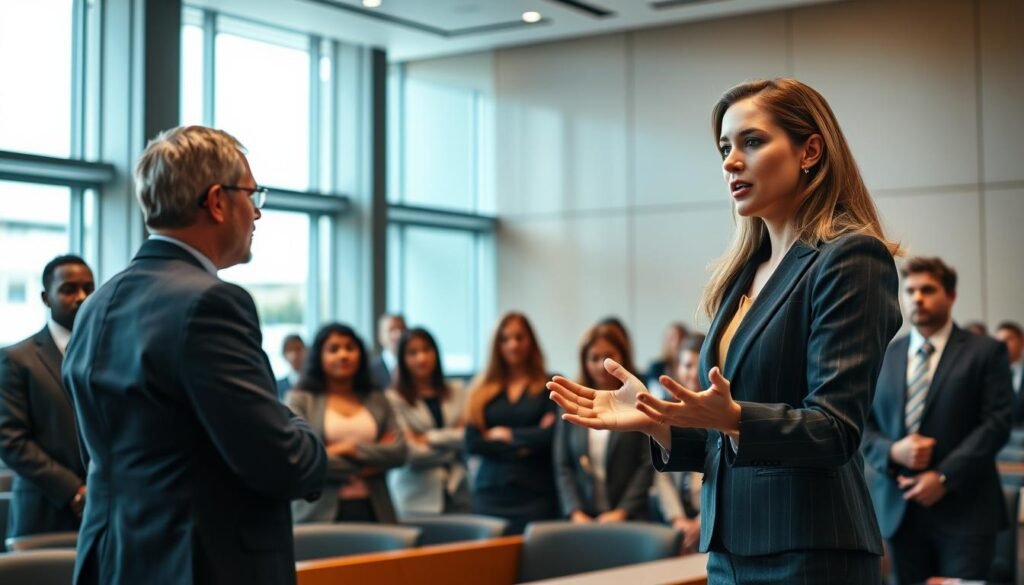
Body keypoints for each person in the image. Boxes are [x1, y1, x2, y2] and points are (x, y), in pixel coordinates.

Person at [548, 78, 903, 583]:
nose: (731, 162)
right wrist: (657, 420)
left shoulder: (850, 258)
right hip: (729, 551)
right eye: (724, 148)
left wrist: (735, 417)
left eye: (752, 142)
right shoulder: (742, 273)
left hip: (810, 550)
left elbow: (835, 430)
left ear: (810, 150)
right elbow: (725, 443)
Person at [62, 126, 327, 585]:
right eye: (252, 193)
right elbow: (279, 461)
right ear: (218, 201)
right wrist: (301, 426)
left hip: (111, 561)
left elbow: (101, 454)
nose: (258, 213)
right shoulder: (211, 303)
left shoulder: (97, 305)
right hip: (202, 565)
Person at [863, 257, 1013, 585]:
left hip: (966, 510)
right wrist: (892, 452)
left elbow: (997, 424)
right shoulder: (885, 354)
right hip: (899, 511)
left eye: (928, 290)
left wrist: (943, 477)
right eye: (911, 290)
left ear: (951, 296)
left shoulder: (986, 352)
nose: (917, 298)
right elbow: (863, 425)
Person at [0, 255, 93, 539]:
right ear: (45, 297)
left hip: (105, 508)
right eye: (69, 289)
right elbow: (10, 439)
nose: (81, 297)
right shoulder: (17, 359)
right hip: (45, 508)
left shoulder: (108, 352)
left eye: (89, 288)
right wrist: (74, 490)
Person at [287, 323, 407, 524]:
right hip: (317, 513)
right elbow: (300, 458)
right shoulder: (301, 400)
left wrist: (349, 449)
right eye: (333, 349)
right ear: (319, 356)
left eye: (350, 348)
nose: (343, 355)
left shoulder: (378, 398)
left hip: (375, 509)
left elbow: (399, 451)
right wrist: (371, 462)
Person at [465, 312, 559, 535]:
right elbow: (473, 443)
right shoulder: (481, 389)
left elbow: (551, 437)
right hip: (490, 493)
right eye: (505, 339)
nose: (513, 345)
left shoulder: (550, 384)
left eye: (520, 337)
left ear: (531, 341)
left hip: (535, 493)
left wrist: (505, 434)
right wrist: (527, 441)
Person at [554, 324, 653, 524]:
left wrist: (622, 511)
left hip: (631, 518)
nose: (601, 365)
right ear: (584, 362)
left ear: (623, 356)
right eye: (594, 358)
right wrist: (575, 511)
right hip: (584, 518)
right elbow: (563, 465)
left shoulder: (640, 399)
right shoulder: (571, 403)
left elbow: (648, 463)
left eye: (609, 356)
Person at [385, 327, 469, 518]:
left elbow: (468, 436)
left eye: (426, 350)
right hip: (415, 498)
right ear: (402, 359)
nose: (421, 358)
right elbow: (410, 452)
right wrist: (453, 445)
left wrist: (427, 438)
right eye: (413, 353)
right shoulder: (392, 398)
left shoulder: (457, 390)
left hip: (457, 491)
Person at [994, 321, 1024, 425]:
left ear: (1022, 341)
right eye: (999, 341)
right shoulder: (991, 374)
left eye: (1008, 339)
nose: (1002, 345)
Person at [645, 322, 688, 389]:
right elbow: (654, 391)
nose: (676, 343)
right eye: (672, 338)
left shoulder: (691, 367)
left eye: (681, 338)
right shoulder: (656, 367)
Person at [370, 313, 406, 391]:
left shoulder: (414, 367)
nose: (398, 335)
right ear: (380, 337)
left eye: (402, 329)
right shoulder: (370, 371)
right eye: (391, 330)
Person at [276, 334, 306, 400]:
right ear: (284, 355)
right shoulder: (277, 386)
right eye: (289, 350)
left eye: (298, 349)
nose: (294, 354)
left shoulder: (317, 381)